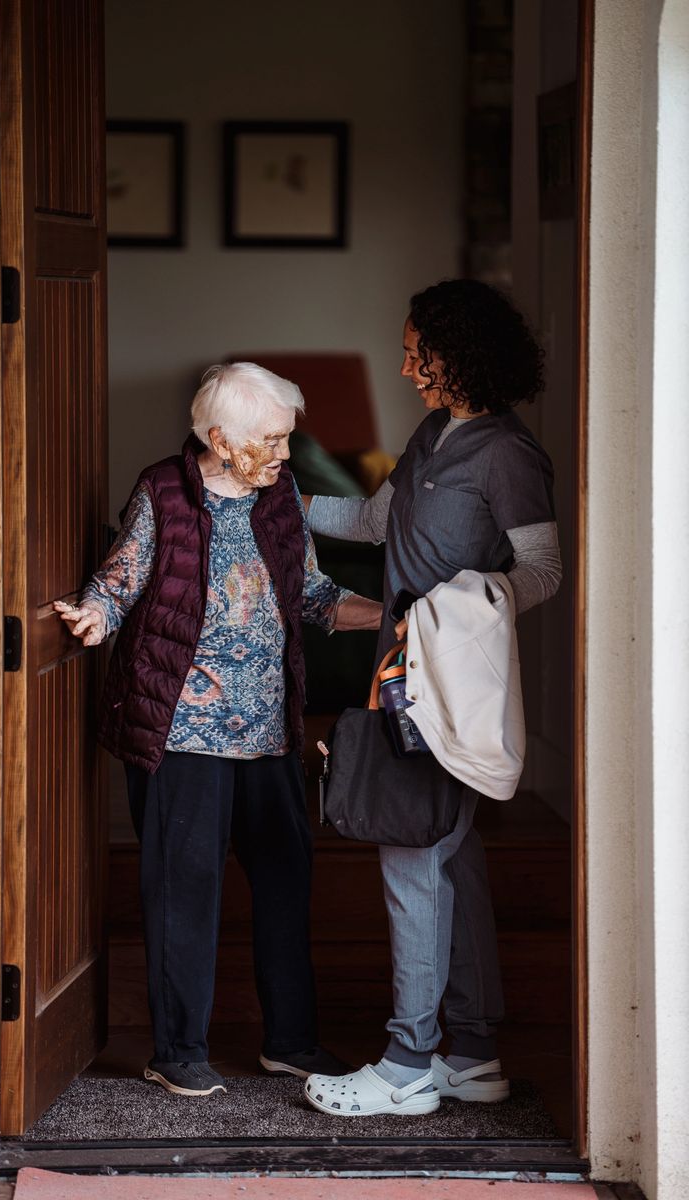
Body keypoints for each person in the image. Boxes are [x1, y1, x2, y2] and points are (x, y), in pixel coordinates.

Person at [56, 362, 382, 1098]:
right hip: (181, 732)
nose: (284, 454)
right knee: (183, 889)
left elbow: (315, 594)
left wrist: (400, 612)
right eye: (270, 440)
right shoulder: (165, 492)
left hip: (269, 730)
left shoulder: (280, 498)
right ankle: (176, 1051)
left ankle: (292, 1042)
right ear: (218, 437)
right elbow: (121, 579)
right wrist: (93, 616)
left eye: (285, 439)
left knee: (284, 882)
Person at [302, 279, 562, 1117]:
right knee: (454, 858)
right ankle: (474, 1052)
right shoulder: (430, 432)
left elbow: (544, 573)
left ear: (465, 355)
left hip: (445, 685)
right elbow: (379, 524)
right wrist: (281, 497)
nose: (409, 367)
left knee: (412, 857)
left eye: (423, 353)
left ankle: (409, 1062)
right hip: (398, 677)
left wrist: (453, 616)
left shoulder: (509, 455)